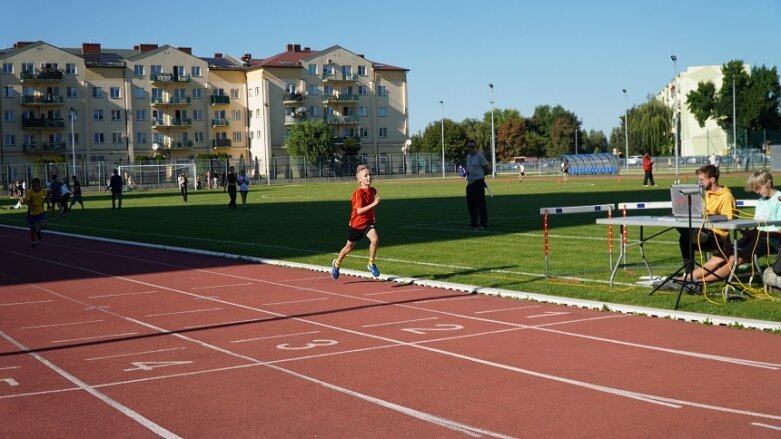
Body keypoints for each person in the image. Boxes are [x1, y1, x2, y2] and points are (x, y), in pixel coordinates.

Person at [676, 170, 780, 284]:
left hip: (770, 240)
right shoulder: (761, 201)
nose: (757, 192)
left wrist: (758, 234)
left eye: (758, 188)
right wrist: (750, 232)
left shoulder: (779, 200)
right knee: (719, 256)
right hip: (756, 237)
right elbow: (758, 224)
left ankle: (698, 283)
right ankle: (685, 279)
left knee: (733, 259)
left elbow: (778, 231)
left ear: (768, 184)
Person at [656, 164, 736, 291]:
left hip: (718, 237)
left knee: (686, 235)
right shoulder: (702, 194)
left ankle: (688, 279)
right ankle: (688, 276)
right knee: (684, 236)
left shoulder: (726, 196)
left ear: (712, 179)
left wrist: (709, 218)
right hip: (700, 232)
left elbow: (729, 220)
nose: (699, 182)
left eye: (701, 180)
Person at [331, 164, 381, 280]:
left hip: (368, 222)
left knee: (375, 239)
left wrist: (373, 215)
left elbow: (369, 208)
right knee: (348, 247)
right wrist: (374, 204)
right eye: (365, 176)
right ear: (359, 179)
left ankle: (371, 263)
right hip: (357, 224)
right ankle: (337, 264)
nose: (369, 177)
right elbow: (359, 211)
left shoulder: (373, 190)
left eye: (370, 175)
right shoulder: (358, 193)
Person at [464, 139, 490, 230]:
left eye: (473, 146)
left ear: (476, 147)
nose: (471, 148)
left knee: (480, 204)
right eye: (469, 147)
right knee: (471, 205)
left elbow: (486, 167)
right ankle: (474, 223)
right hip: (470, 182)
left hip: (478, 182)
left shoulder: (480, 156)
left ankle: (483, 224)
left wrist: (482, 176)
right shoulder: (468, 156)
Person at [21, 177, 47, 248]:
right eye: (32, 185)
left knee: (44, 225)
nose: (33, 187)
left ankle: (38, 230)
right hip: (31, 213)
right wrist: (30, 206)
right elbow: (27, 201)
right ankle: (33, 242)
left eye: (35, 185)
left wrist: (48, 204)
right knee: (32, 230)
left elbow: (46, 195)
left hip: (40, 211)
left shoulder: (42, 191)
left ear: (38, 185)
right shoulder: (29, 192)